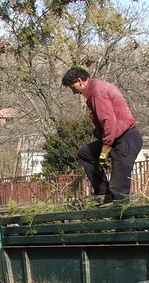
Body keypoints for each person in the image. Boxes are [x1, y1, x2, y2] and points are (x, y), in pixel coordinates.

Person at [61, 67, 144, 204]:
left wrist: (105, 148)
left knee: (119, 188)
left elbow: (109, 121)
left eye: (72, 87)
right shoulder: (96, 89)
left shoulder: (97, 92)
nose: (74, 92)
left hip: (126, 139)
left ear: (80, 81)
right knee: (85, 153)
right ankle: (104, 193)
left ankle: (122, 212)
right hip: (117, 138)